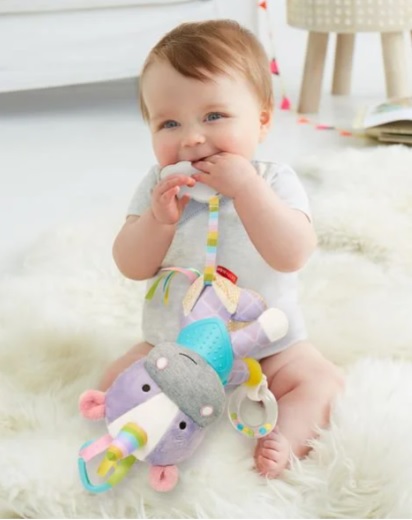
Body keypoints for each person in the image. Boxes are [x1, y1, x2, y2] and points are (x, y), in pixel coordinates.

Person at [102, 19, 344, 478]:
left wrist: (247, 189)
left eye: (213, 116)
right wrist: (158, 221)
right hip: (173, 352)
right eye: (169, 123)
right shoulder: (158, 188)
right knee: (114, 381)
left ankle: (286, 437)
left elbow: (292, 253)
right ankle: (147, 432)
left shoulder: (274, 180)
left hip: (269, 349)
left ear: (262, 121)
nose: (192, 138)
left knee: (320, 380)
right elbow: (130, 265)